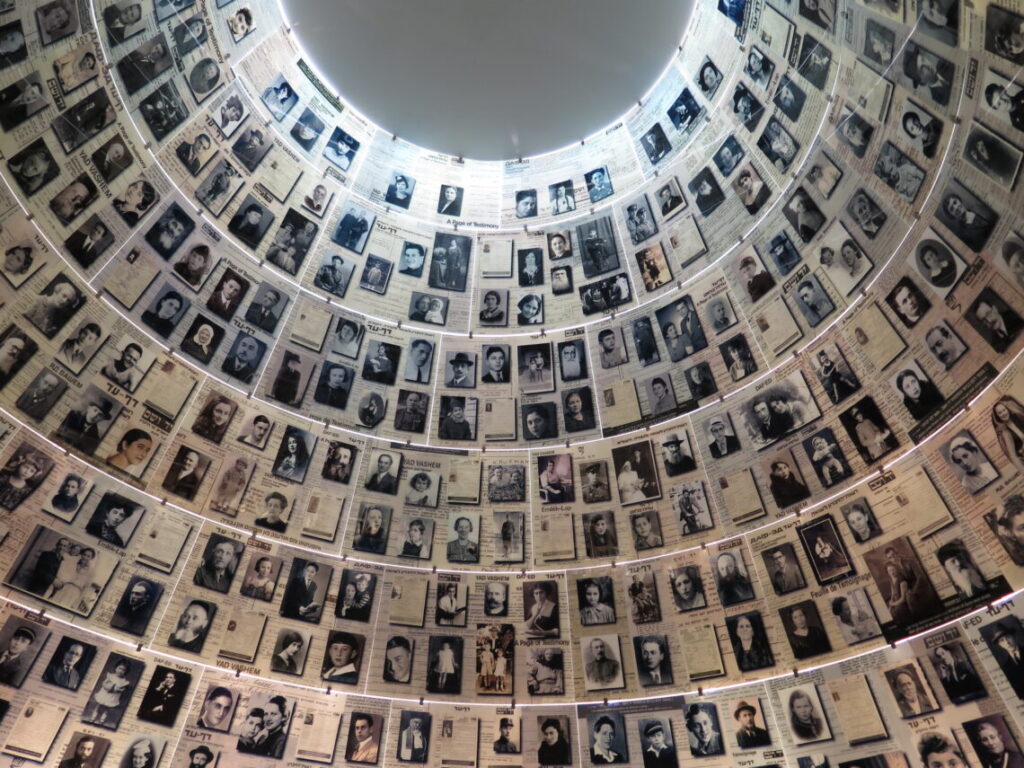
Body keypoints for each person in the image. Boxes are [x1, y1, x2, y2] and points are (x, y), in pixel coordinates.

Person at [86, 658, 132, 725]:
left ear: (126, 672)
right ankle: (92, 718)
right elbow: (104, 683)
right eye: (120, 668)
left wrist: (118, 690)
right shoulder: (111, 676)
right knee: (98, 707)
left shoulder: (124, 681)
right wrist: (108, 687)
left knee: (107, 710)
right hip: (105, 694)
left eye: (123, 670)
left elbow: (122, 690)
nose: (121, 671)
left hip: (112, 697)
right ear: (116, 668)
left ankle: (102, 720)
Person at [993, 397, 1024, 473]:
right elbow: (1013, 456)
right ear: (997, 416)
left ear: (1007, 410)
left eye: (1004, 410)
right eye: (1000, 412)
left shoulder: (1018, 417)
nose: (1003, 413)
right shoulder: (1005, 432)